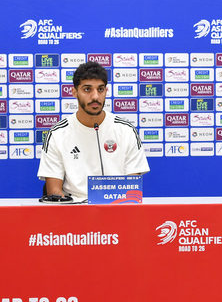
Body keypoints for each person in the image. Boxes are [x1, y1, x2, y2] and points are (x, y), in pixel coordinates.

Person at [38, 61, 150, 201]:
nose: (95, 96)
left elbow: (132, 192)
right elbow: (54, 192)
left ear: (106, 91)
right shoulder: (57, 133)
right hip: (73, 213)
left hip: (117, 211)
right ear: (74, 92)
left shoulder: (126, 130)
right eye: (87, 89)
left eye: (100, 89)